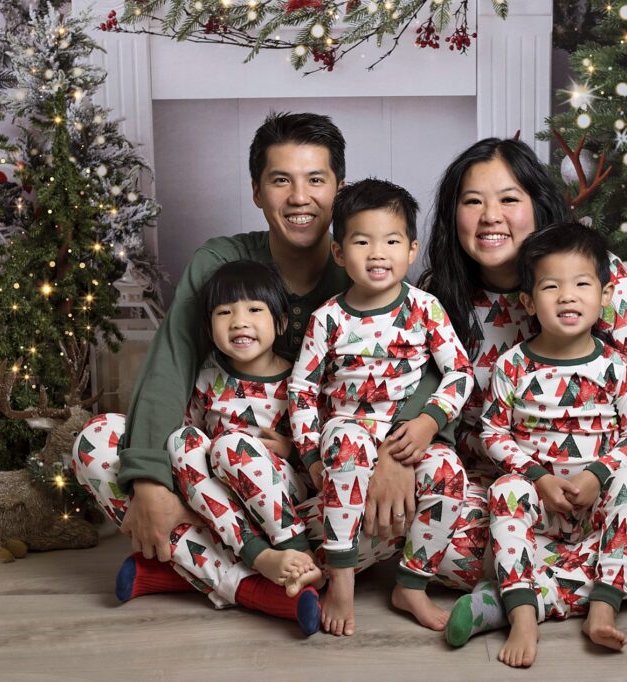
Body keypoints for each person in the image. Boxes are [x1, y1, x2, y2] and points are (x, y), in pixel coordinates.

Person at [72, 113, 430, 611]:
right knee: (97, 443)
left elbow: (428, 366)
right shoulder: (220, 263)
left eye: (316, 180)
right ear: (257, 191)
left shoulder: (370, 268)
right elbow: (169, 367)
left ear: (340, 189)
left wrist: (396, 453)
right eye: (281, 180)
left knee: (413, 489)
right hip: (213, 478)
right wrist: (151, 483)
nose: (299, 197)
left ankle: (202, 570)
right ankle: (265, 582)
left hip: (315, 480)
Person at [416, 138, 627, 665]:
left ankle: (515, 601)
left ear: (539, 206)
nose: (490, 216)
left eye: (508, 199)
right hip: (507, 491)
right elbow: (447, 421)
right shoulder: (435, 296)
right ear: (453, 216)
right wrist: (530, 472)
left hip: (610, 483)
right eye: (472, 201)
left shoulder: (596, 276)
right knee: (432, 539)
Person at [289, 179, 474, 635]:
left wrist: (429, 422)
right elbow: (302, 390)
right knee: (349, 444)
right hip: (348, 429)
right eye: (362, 241)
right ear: (338, 253)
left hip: (404, 433)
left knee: (449, 471)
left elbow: (460, 372)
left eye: (391, 241)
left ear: (411, 250)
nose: (377, 253)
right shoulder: (327, 318)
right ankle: (343, 580)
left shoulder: (425, 308)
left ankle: (412, 582)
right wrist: (312, 454)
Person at [480, 223, 627, 664]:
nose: (567, 296)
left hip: (596, 506)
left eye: (582, 284)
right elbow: (493, 432)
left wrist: (599, 475)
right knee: (503, 491)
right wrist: (536, 478)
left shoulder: (616, 366)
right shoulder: (513, 365)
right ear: (528, 301)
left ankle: (602, 608)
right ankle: (523, 616)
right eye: (551, 286)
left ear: (605, 296)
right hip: (540, 505)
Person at [165, 260, 326, 621]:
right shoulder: (208, 377)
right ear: (210, 325)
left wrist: (291, 451)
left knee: (229, 446)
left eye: (255, 309)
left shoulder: (298, 380)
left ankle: (297, 553)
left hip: (284, 497)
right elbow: (189, 443)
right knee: (182, 439)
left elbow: (320, 452)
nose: (239, 321)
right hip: (225, 506)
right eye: (225, 312)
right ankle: (260, 557)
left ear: (281, 322)